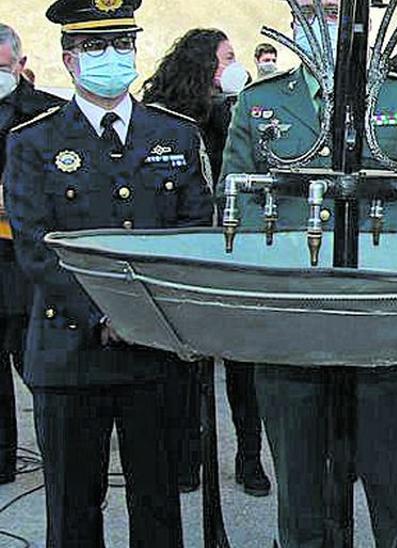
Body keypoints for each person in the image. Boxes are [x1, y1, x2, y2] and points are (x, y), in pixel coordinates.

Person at [219, 0, 397, 544]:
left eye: (339, 9)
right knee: (300, 493)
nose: (327, 22)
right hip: (291, 326)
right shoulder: (261, 102)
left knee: (393, 489)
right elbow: (237, 206)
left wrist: (373, 275)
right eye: (314, 9)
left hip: (377, 324)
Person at [4, 0, 215, 544]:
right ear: (69, 60)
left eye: (123, 44)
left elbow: (193, 236)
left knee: (159, 507)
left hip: (156, 353)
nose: (112, 57)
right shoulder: (33, 141)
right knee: (73, 512)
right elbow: (35, 248)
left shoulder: (176, 135)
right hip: (69, 351)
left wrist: (144, 318)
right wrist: (103, 315)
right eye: (96, 47)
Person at [140, 27, 270, 498]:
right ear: (202, 66)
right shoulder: (165, 119)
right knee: (187, 364)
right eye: (227, 58)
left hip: (235, 255)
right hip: (190, 251)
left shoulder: (235, 115)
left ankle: (249, 457)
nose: (235, 66)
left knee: (243, 366)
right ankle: (189, 456)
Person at [0, 22, 61, 487]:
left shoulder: (46, 115)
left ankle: (63, 454)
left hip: (24, 258)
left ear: (21, 65)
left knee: (38, 365)